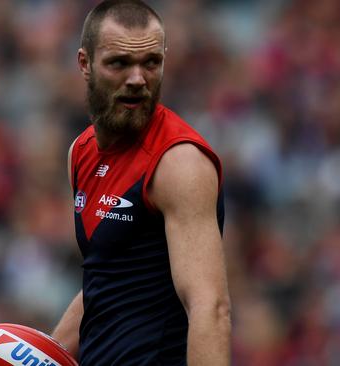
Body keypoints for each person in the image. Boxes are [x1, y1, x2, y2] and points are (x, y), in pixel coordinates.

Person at [51, 1, 231, 364]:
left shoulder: (179, 163)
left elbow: (209, 308)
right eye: (119, 63)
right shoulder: (81, 152)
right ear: (84, 64)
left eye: (151, 63)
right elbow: (104, 280)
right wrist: (46, 351)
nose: (137, 79)